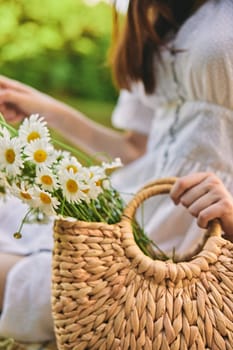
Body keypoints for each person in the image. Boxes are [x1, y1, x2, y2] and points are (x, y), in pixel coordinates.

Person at [0, 0, 233, 343]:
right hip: (131, 207)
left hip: (196, 233)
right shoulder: (152, 9)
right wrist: (48, 110)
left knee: (36, 284)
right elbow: (137, 150)